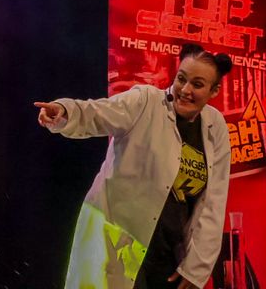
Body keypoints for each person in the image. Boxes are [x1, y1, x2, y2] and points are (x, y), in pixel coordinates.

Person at [34, 44, 234, 289]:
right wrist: (65, 111)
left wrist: (197, 269)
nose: (185, 90)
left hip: (167, 254)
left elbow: (213, 202)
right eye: (181, 79)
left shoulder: (215, 127)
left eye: (198, 84)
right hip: (114, 243)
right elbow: (98, 112)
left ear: (214, 90)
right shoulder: (146, 101)